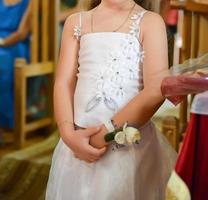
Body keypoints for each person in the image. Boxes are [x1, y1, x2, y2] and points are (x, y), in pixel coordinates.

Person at [46, 0, 177, 199]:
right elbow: (63, 83)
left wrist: (106, 134)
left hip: (127, 147)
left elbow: (154, 91)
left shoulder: (150, 22)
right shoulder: (76, 22)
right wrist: (67, 133)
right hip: (77, 144)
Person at [0, 0, 31, 129]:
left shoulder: (30, 3)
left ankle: (6, 120)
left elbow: (22, 33)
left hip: (14, 45)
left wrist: (2, 42)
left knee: (3, 62)